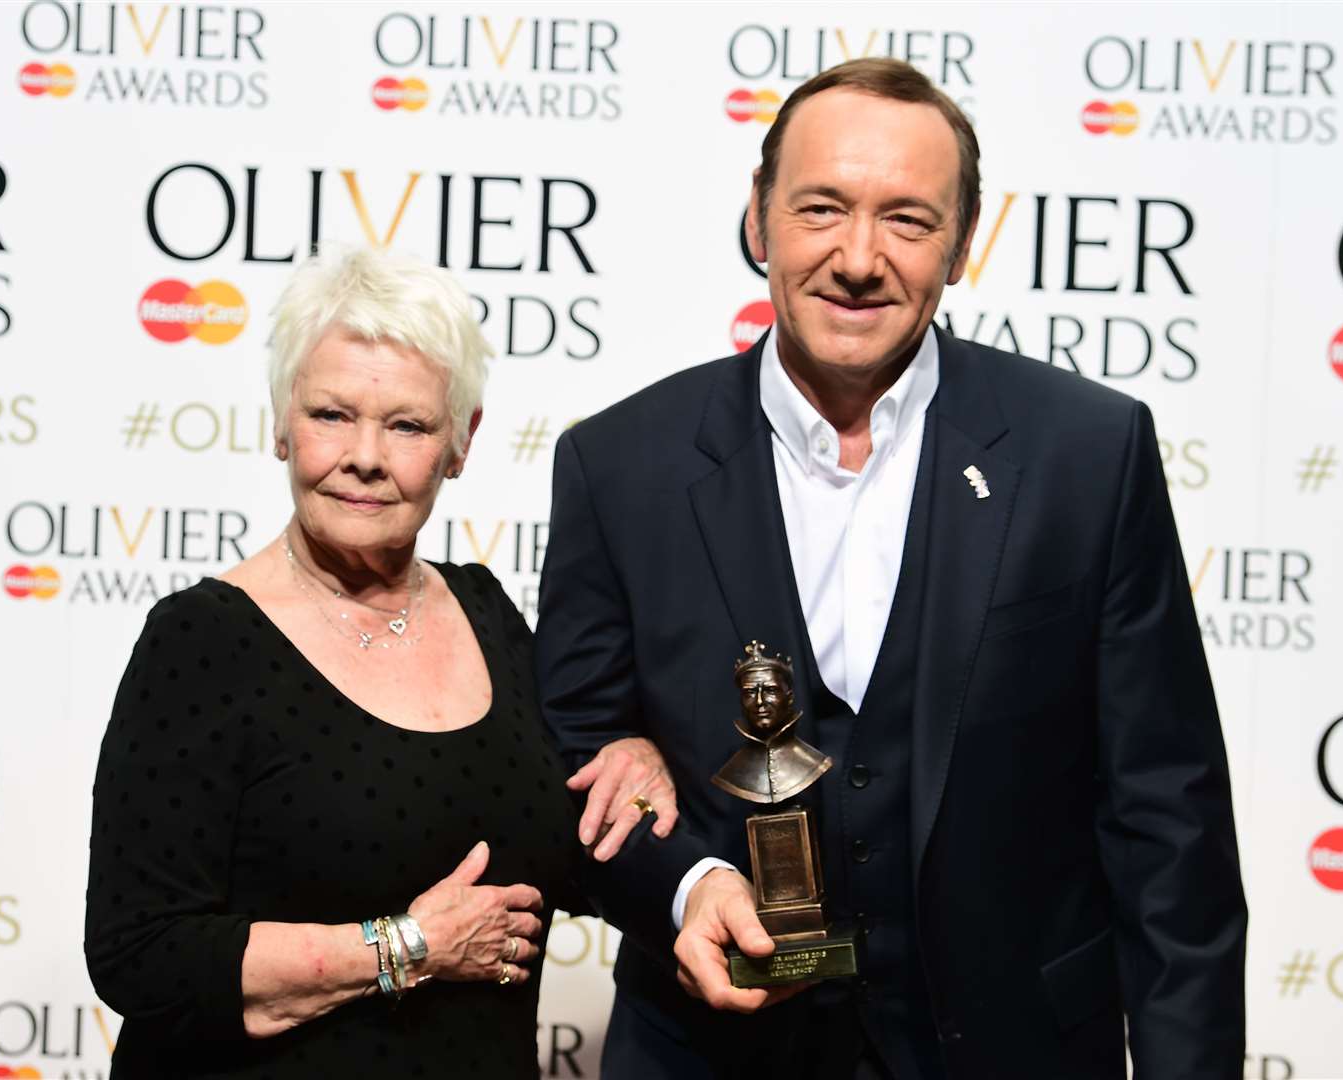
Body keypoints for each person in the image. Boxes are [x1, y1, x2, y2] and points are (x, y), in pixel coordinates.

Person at [536, 58, 1246, 1079]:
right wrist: (683, 883)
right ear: (759, 218)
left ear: (961, 245)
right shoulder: (619, 464)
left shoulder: (1088, 455)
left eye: (908, 221)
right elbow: (575, 747)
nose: (859, 258)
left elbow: (1167, 814)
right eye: (822, 207)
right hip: (712, 1053)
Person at [83, 248, 671, 1079]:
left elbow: (570, 841)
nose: (365, 456)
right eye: (331, 415)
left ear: (460, 443)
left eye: (407, 425)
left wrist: (634, 752)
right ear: (280, 423)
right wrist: (410, 947)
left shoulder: (487, 611)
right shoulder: (202, 642)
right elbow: (138, 953)